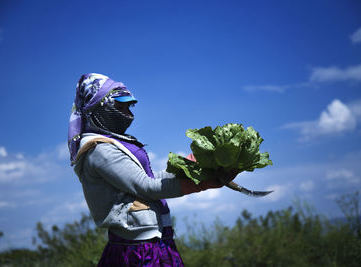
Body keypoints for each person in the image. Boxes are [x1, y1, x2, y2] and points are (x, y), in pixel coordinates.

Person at [68, 73, 238, 266]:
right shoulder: (100, 150)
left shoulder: (114, 143)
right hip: (136, 247)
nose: (126, 113)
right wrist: (203, 184)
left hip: (154, 239)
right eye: (119, 106)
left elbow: (148, 178)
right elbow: (146, 186)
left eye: (128, 107)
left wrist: (192, 166)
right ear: (98, 108)